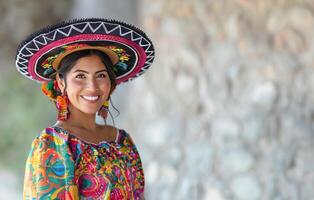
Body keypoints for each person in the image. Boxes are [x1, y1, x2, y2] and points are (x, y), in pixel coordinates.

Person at [15, 18, 155, 199]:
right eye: (80, 76)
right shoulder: (52, 146)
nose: (92, 87)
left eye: (101, 75)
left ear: (110, 83)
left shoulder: (123, 142)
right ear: (61, 82)